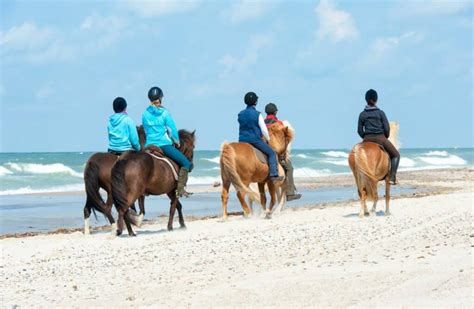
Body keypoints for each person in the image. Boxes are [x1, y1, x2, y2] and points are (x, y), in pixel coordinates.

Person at [142, 86, 192, 198]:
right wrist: (177, 142)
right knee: (186, 163)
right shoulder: (164, 113)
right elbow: (173, 130)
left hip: (149, 145)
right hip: (164, 145)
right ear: (160, 98)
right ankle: (180, 189)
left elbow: (146, 130)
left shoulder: (144, 114)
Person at [238, 92, 283, 182]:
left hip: (242, 141)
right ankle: (274, 175)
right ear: (255, 102)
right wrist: (268, 139)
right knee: (272, 153)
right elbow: (264, 130)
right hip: (255, 140)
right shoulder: (257, 114)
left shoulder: (240, 114)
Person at [358, 89, 400, 184]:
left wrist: (365, 137)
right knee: (396, 155)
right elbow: (387, 128)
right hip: (380, 138)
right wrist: (385, 136)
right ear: (376, 100)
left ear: (366, 100)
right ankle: (392, 177)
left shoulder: (362, 114)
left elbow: (359, 131)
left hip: (367, 139)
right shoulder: (381, 113)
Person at [264, 103, 302, 201]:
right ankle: (290, 194)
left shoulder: (262, 123)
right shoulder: (279, 124)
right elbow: (283, 142)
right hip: (275, 153)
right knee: (289, 168)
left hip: (263, 150)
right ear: (276, 112)